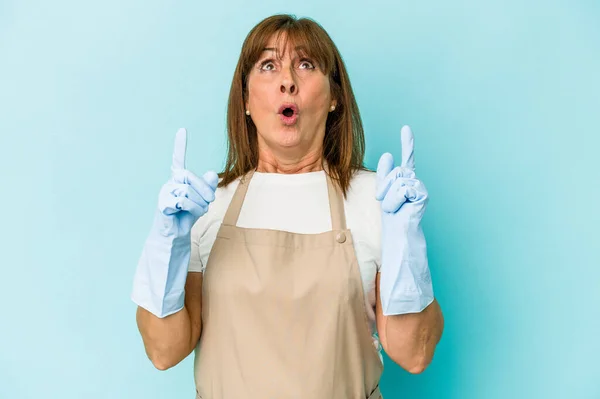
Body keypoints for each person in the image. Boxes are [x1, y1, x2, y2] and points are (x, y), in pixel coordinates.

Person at [131, 13, 444, 399]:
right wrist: (167, 246)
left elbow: (415, 354)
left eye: (306, 64)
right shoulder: (204, 206)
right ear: (245, 100)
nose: (287, 81)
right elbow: (164, 351)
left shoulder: (378, 201)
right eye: (268, 65)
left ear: (334, 98)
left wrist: (407, 244)